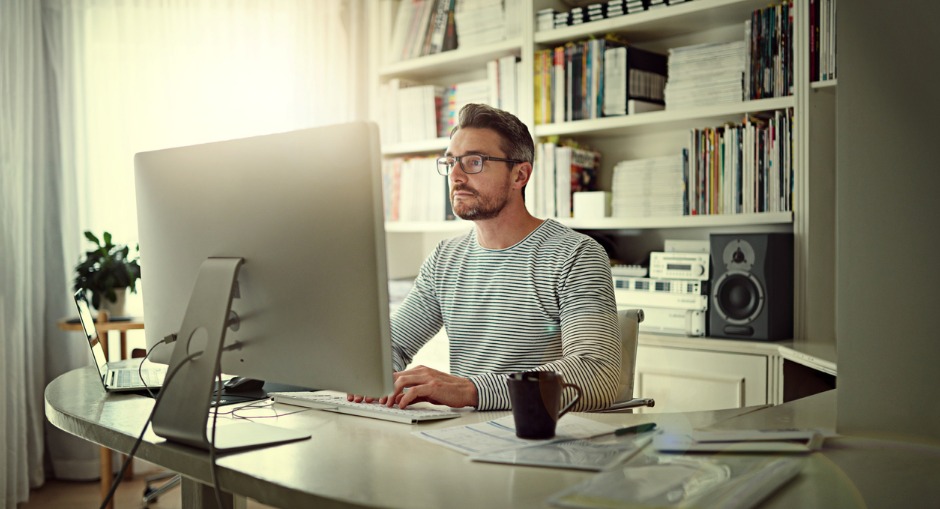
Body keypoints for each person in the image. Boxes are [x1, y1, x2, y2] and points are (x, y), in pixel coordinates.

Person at [351, 103, 621, 411]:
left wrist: (471, 390)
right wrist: (378, 375)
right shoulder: (444, 259)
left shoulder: (575, 256)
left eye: (473, 162)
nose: (455, 175)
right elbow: (392, 345)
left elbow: (598, 374)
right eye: (451, 162)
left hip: (541, 439)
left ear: (520, 174)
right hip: (463, 438)